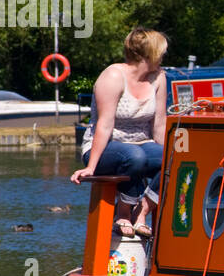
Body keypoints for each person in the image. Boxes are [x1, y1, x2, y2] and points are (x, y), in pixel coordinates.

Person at [70, 27, 168, 238]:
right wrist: (91, 166)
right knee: (135, 157)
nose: (163, 57)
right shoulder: (113, 76)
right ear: (149, 54)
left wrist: (171, 153)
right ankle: (122, 211)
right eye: (161, 52)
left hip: (142, 144)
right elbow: (104, 125)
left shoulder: (159, 77)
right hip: (105, 147)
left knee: (175, 159)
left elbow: (159, 125)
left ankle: (142, 210)